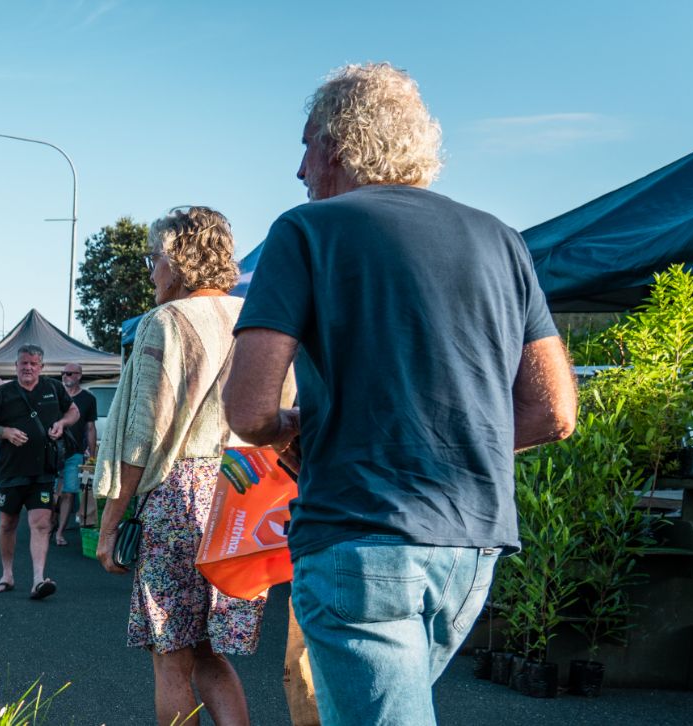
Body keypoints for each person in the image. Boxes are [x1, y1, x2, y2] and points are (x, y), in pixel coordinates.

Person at [223, 64, 577, 725]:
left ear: (336, 142)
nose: (299, 169)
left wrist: (297, 428)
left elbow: (249, 409)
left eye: (305, 146)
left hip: (361, 530)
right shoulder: (500, 239)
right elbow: (554, 412)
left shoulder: (306, 230)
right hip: (471, 543)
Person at [91, 206, 258, 726]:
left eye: (154, 257)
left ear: (180, 258)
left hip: (181, 490)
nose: (151, 271)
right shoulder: (255, 316)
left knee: (170, 655)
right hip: (245, 492)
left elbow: (143, 436)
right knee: (212, 649)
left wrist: (110, 524)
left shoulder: (165, 322)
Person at [0, 344, 80, 600]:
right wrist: (5, 432)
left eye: (33, 364)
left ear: (41, 367)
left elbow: (73, 411)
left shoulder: (53, 389)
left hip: (43, 469)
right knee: (8, 524)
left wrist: (61, 423)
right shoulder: (3, 393)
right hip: (11, 471)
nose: (28, 368)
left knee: (42, 523)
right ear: (16, 366)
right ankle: (7, 575)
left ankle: (37, 579)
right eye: (24, 363)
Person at [53, 362, 99, 545]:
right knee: (51, 493)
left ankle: (59, 532)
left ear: (79, 376)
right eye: (63, 373)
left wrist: (92, 455)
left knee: (69, 493)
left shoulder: (88, 399)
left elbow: (90, 428)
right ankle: (49, 524)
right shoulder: (55, 396)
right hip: (52, 452)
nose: (65, 376)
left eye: (70, 373)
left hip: (75, 453)